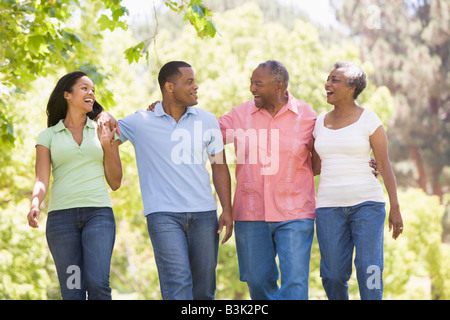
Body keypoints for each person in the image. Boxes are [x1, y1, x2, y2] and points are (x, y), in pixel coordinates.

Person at [116, 61, 233, 300]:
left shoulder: (208, 120)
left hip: (204, 214)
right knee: (177, 284)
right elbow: (105, 136)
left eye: (194, 81)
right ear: (169, 87)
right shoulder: (141, 122)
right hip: (163, 215)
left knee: (204, 290)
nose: (196, 86)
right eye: (189, 82)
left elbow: (219, 166)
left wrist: (227, 209)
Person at [218, 60, 317, 300]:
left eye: (258, 84)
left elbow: (325, 154)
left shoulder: (307, 116)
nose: (252, 88)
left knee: (295, 282)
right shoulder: (240, 115)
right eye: (251, 82)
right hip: (251, 214)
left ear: (279, 86)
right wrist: (168, 110)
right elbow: (204, 133)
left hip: (295, 213)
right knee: (257, 281)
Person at [312, 61, 403, 300]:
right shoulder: (318, 124)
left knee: (369, 269)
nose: (327, 84)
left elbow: (384, 165)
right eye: (328, 79)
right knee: (331, 275)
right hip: (328, 208)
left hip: (367, 205)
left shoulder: (369, 120)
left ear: (352, 87)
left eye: (334, 80)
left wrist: (395, 207)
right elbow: (313, 166)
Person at [27, 71, 122, 300]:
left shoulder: (104, 128)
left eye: (93, 90)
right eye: (84, 88)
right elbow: (42, 178)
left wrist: (106, 143)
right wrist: (35, 203)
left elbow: (116, 182)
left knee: (98, 284)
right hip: (61, 222)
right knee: (72, 291)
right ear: (67, 94)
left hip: (99, 215)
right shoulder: (48, 136)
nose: (91, 93)